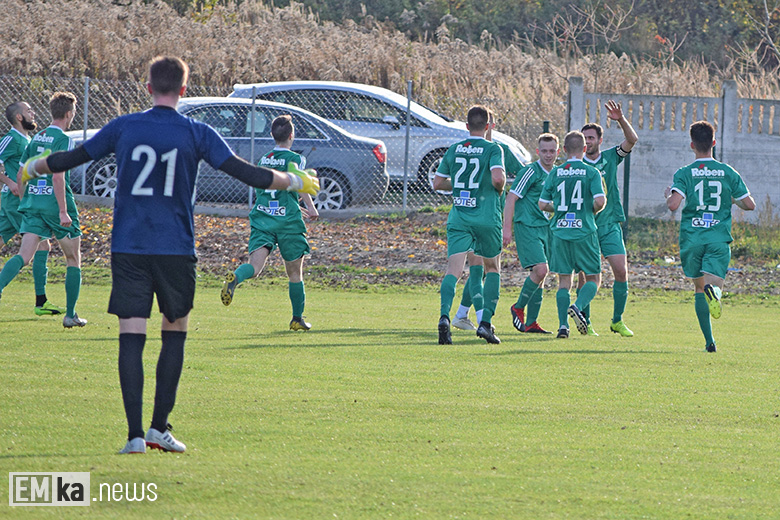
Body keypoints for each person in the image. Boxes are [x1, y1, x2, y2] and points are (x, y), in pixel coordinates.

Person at [19, 56, 319, 454]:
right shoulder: (197, 131)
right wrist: (294, 180)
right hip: (175, 247)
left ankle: (133, 437)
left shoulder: (125, 126)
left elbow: (74, 158)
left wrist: (35, 166)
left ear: (148, 88)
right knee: (173, 333)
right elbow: (245, 172)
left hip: (129, 246)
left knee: (131, 336)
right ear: (183, 90)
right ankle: (158, 428)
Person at [220, 114, 319, 330]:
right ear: (291, 135)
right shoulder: (296, 158)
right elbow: (300, 182)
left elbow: (264, 189)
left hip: (263, 218)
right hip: (287, 222)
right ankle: (297, 319)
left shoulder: (264, 159)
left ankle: (236, 277)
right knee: (295, 273)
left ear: (273, 135)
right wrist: (310, 207)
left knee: (255, 268)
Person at [664, 121, 754, 353]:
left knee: (699, 288)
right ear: (714, 142)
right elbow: (749, 205)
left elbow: (673, 205)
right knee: (713, 285)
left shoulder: (684, 173)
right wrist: (731, 198)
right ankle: (716, 293)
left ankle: (709, 341)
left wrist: (668, 195)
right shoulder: (728, 172)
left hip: (692, 239)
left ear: (692, 145)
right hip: (717, 237)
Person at [0, 93, 83, 326]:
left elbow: (21, 173)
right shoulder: (63, 140)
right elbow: (58, 177)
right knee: (73, 258)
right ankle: (70, 315)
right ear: (69, 114)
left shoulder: (36, 138)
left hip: (33, 204)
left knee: (24, 256)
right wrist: (63, 211)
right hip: (55, 205)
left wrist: (26, 200)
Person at [433, 105, 505, 345]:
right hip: (485, 217)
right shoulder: (493, 148)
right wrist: (497, 187)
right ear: (488, 126)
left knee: (453, 271)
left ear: (466, 126)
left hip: (459, 218)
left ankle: (444, 317)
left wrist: (460, 186)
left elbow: (437, 183)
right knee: (492, 269)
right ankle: (485, 324)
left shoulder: (455, 149)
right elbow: (498, 178)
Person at [451, 111, 516, 331]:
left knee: (486, 268)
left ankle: (462, 314)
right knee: (479, 267)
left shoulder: (500, 150)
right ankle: (482, 319)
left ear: (491, 126)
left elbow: (522, 174)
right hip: (478, 218)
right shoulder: (474, 150)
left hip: (492, 216)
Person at [578, 100, 638, 337]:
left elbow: (632, 140)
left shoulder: (611, 157)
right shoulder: (577, 164)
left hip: (610, 223)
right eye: (584, 139)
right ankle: (586, 322)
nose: (588, 142)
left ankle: (617, 320)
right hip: (586, 226)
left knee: (621, 271)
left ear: (600, 140)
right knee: (586, 277)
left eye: (591, 138)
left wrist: (620, 119)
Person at [539, 131, 606, 339]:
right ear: (584, 149)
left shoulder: (555, 173)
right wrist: (588, 210)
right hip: (584, 231)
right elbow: (600, 201)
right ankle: (577, 306)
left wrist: (560, 209)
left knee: (564, 281)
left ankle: (562, 326)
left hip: (560, 231)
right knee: (594, 278)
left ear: (564, 150)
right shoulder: (592, 172)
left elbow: (542, 203)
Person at [503, 133, 559, 334]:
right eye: (544, 151)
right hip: (527, 225)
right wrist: (507, 229)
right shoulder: (530, 171)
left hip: (546, 227)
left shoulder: (557, 173)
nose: (548, 155)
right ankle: (518, 307)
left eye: (552, 151)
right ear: (537, 152)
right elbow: (511, 198)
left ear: (558, 152)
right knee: (541, 270)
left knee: (540, 275)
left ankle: (532, 323)